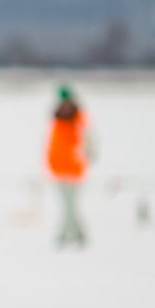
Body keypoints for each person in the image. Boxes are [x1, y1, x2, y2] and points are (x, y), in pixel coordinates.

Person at [46, 86, 91, 248]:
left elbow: (88, 143)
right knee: (67, 205)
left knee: (70, 206)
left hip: (74, 169)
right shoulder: (57, 120)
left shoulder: (79, 120)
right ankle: (78, 234)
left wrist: (83, 157)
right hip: (58, 169)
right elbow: (52, 145)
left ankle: (66, 235)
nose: (65, 105)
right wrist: (50, 162)